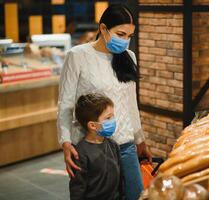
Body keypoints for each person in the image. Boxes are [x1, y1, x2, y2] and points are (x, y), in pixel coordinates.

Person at [57, 4, 152, 200]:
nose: (125, 41)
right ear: (103, 29)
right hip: (93, 148)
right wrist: (65, 142)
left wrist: (140, 139)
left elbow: (130, 103)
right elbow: (65, 103)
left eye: (129, 36)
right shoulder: (78, 56)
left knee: (136, 195)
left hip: (125, 144)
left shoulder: (129, 57)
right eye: (120, 34)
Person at [69, 93, 123, 200]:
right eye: (108, 118)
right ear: (92, 125)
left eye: (113, 116)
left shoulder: (114, 146)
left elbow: (120, 179)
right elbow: (78, 188)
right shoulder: (81, 153)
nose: (113, 121)